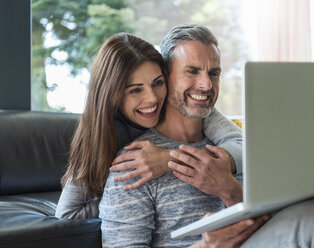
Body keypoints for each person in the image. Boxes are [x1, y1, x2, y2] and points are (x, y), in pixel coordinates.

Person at [99, 24, 314, 248]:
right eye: (192, 71)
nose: (206, 85)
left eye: (213, 73)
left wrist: (228, 189)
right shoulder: (136, 164)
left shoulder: (231, 150)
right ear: (165, 78)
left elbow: (275, 224)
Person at [55, 32, 243, 220]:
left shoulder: (188, 109)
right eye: (135, 90)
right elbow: (67, 213)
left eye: (158, 83)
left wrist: (167, 159)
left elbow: (244, 145)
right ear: (112, 94)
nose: (152, 98)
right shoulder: (103, 130)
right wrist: (126, 202)